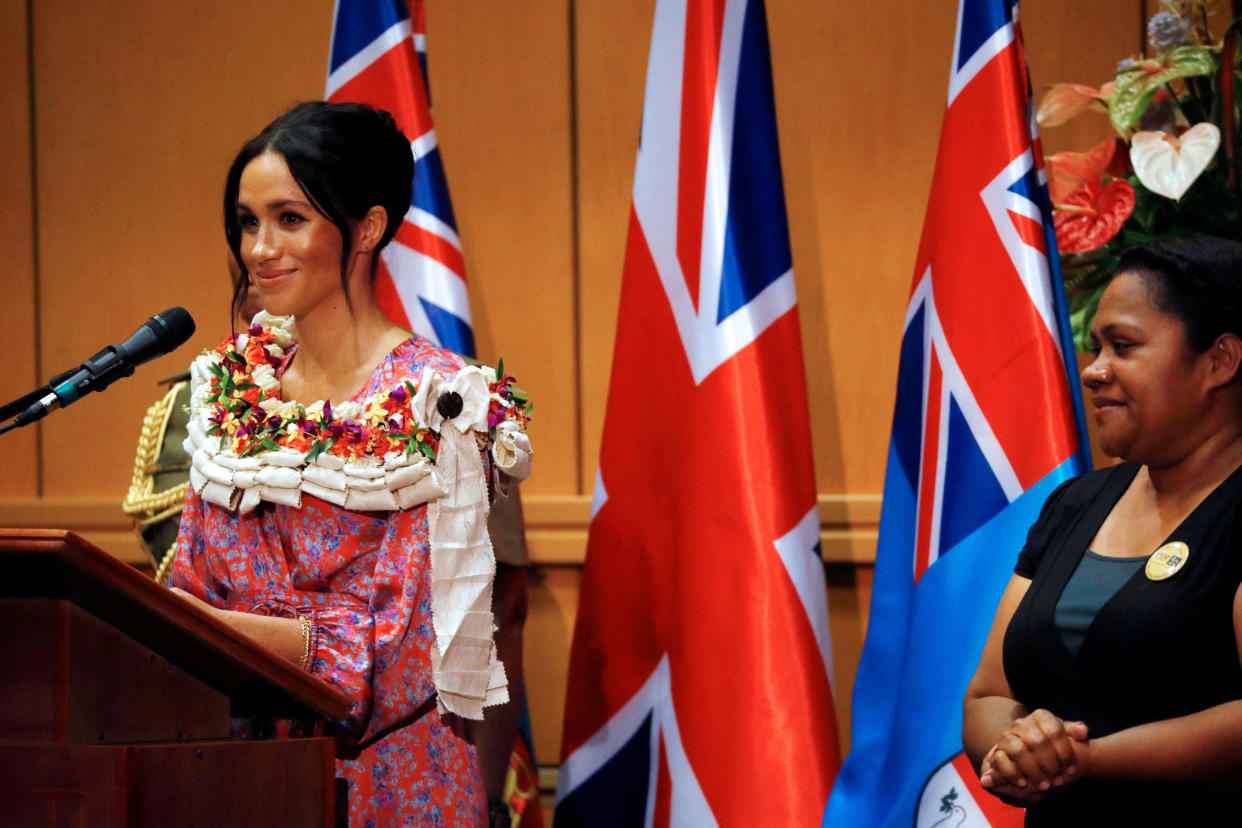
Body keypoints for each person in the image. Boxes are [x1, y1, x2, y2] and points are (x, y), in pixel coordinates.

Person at [166, 101, 532, 827]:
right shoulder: (227, 397)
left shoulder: (445, 405)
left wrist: (219, 629)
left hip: (396, 787)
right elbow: (187, 587)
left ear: (365, 228)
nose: (260, 248)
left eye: (289, 219)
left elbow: (400, 652)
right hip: (242, 780)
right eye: (247, 221)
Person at [962, 236, 1242, 825]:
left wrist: (1081, 759)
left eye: (1123, 346)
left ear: (1219, 361)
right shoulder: (1075, 502)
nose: (1094, 370)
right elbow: (988, 693)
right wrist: (1016, 751)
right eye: (1095, 348)